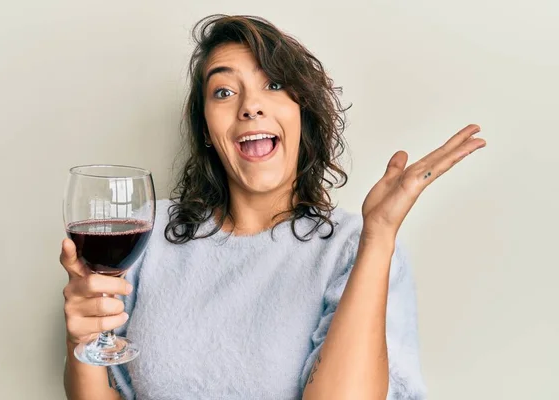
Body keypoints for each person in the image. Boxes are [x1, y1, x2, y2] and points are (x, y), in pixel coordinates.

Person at [60, 14, 486, 400]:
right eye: (224, 91)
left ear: (302, 112)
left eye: (274, 84)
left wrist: (378, 238)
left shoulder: (354, 247)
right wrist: (78, 339)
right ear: (206, 128)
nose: (250, 106)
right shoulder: (148, 233)